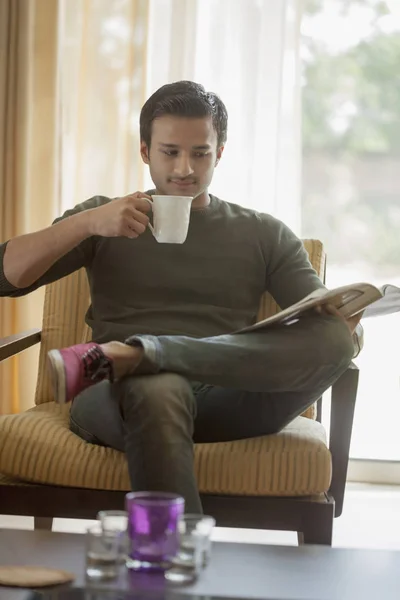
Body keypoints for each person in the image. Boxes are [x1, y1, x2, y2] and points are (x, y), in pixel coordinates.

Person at [0, 80, 362, 513]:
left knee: (338, 340)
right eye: (170, 151)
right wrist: (85, 224)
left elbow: (318, 316)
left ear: (220, 152)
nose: (185, 168)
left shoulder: (263, 233)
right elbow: (8, 276)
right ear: (144, 151)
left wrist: (346, 321)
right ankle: (175, 562)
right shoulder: (105, 217)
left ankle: (146, 352)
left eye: (200, 153)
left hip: (231, 395)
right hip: (119, 392)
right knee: (159, 388)